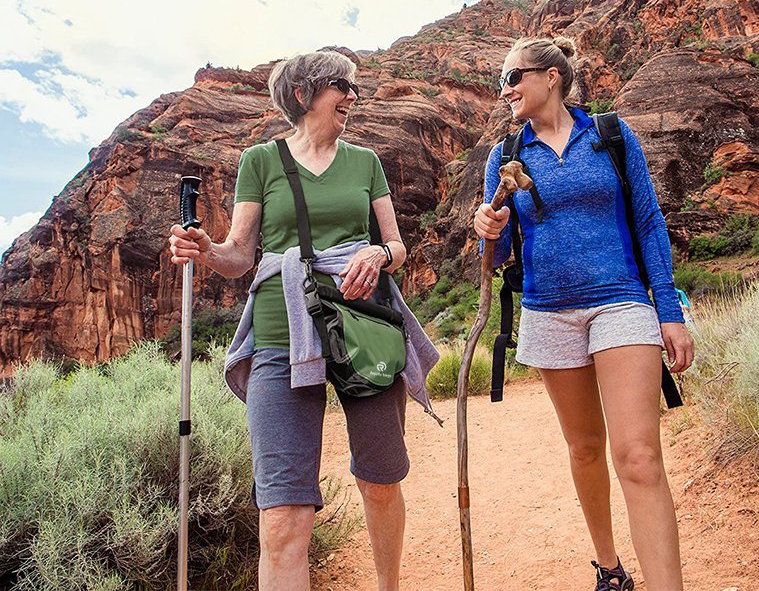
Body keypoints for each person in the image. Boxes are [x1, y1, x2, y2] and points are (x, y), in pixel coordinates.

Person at [169, 49, 438, 591]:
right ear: (303, 94)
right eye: (344, 87)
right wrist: (206, 250)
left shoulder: (366, 162)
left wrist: (380, 256)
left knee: (381, 482)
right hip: (278, 334)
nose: (354, 98)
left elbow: (397, 244)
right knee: (282, 514)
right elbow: (240, 255)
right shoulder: (259, 161)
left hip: (363, 326)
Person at [473, 36, 694, 591]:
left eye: (512, 77)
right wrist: (488, 232)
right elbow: (497, 257)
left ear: (550, 76)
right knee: (585, 447)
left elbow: (648, 223)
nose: (505, 90)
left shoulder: (612, 136)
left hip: (621, 300)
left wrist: (667, 309)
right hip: (549, 311)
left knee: (638, 454)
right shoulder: (505, 156)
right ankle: (610, 568)